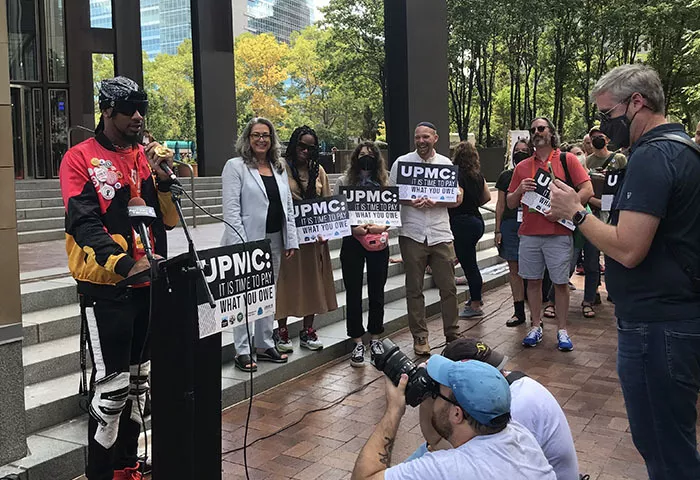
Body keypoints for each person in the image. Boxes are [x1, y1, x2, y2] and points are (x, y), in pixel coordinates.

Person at [549, 64, 700, 480]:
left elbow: (630, 248)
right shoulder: (682, 148)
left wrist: (575, 212)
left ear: (637, 102)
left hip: (658, 325)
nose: (604, 126)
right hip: (670, 318)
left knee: (663, 445)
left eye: (607, 115)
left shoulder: (654, 155)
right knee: (668, 441)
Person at [59, 76, 178, 480]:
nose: (139, 117)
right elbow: (84, 224)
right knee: (111, 391)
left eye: (142, 108)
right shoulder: (79, 157)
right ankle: (102, 473)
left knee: (139, 386)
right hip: (106, 288)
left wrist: (163, 183)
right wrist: (125, 264)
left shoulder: (142, 157)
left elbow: (165, 222)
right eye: (130, 109)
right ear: (107, 110)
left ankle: (128, 465)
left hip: (148, 285)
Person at [351, 357, 556, 480]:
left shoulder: (451, 468)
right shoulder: (519, 435)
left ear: (457, 414)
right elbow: (439, 441)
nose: (434, 396)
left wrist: (393, 411)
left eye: (438, 392)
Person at [407, 338, 579, 479]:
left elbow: (460, 458)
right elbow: (437, 442)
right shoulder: (503, 393)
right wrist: (428, 394)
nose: (501, 374)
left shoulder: (513, 408)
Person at [507, 117, 593, 351]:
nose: (537, 132)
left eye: (541, 128)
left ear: (551, 132)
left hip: (558, 233)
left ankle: (562, 330)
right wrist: (519, 190)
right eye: (533, 129)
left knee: (560, 283)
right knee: (532, 282)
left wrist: (568, 209)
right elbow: (510, 202)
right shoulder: (523, 167)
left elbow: (588, 189)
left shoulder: (568, 160)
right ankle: (536, 326)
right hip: (530, 234)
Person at [221, 117, 298, 372]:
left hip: (274, 238)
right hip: (246, 241)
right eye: (256, 135)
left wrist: (290, 239)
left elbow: (287, 205)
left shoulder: (278, 167)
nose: (261, 139)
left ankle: (264, 343)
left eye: (266, 135)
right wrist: (240, 244)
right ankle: (242, 349)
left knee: (267, 293)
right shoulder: (235, 167)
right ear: (248, 138)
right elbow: (231, 210)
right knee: (244, 295)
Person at [389, 122, 463, 356]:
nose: (421, 141)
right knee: (414, 289)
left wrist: (438, 201)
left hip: (440, 233)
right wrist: (409, 200)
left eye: (426, 137)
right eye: (417, 137)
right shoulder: (401, 163)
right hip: (412, 233)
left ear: (435, 138)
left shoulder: (445, 164)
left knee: (449, 287)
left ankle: (452, 334)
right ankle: (420, 337)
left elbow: (457, 198)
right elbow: (389, 196)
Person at [274, 126, 337, 352]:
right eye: (302, 146)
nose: (306, 151)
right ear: (293, 145)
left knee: (312, 282)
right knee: (285, 283)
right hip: (287, 236)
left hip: (313, 239)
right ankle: (281, 331)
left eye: (311, 148)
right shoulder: (279, 168)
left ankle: (307, 330)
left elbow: (328, 203)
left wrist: (327, 231)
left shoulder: (318, 171)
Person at [334, 141, 391, 367]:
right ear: (354, 158)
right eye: (361, 154)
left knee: (377, 289)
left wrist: (383, 227)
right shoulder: (343, 182)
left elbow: (392, 213)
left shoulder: (385, 181)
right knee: (353, 291)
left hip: (378, 241)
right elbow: (336, 213)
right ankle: (357, 340)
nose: (365, 158)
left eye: (370, 154)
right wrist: (351, 228)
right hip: (352, 241)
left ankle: (376, 337)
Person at [448, 142, 491, 318]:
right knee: (470, 261)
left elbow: (458, 199)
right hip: (476, 220)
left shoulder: (456, 175)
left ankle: (475, 304)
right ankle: (475, 298)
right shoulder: (478, 175)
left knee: (470, 265)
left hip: (461, 222)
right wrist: (473, 205)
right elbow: (487, 197)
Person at [495, 140, 530, 326]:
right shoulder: (505, 176)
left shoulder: (537, 174)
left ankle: (536, 313)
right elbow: (500, 204)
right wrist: (497, 229)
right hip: (510, 226)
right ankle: (518, 311)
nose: (521, 153)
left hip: (532, 225)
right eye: (517, 150)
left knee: (533, 272)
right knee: (514, 269)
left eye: (525, 150)